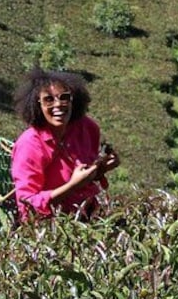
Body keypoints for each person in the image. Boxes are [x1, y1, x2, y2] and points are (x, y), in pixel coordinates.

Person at [10, 68, 120, 221]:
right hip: (52, 226)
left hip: (88, 213)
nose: (58, 105)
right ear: (37, 104)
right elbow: (27, 205)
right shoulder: (29, 145)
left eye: (64, 97)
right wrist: (72, 185)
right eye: (48, 99)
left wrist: (101, 168)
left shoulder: (87, 128)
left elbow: (86, 177)